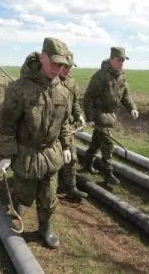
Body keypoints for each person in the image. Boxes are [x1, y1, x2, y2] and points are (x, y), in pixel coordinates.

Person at [0, 37, 72, 249]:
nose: (58, 69)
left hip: (51, 154)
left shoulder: (63, 91)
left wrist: (65, 145)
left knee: (48, 197)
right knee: (24, 193)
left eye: (62, 65)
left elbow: (64, 122)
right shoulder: (19, 88)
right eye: (54, 63)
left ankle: (45, 228)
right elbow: (6, 124)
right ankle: (17, 207)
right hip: (26, 154)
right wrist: (6, 155)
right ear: (42, 57)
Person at [82, 47, 139, 185]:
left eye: (123, 60)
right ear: (112, 59)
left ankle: (87, 164)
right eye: (119, 60)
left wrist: (132, 108)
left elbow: (125, 95)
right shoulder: (100, 76)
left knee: (96, 141)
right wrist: (89, 118)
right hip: (99, 113)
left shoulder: (121, 76)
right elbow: (88, 97)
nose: (122, 63)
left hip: (110, 114)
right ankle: (107, 172)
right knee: (107, 142)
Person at [58, 51, 88, 200]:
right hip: (50, 128)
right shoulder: (49, 81)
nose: (68, 69)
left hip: (67, 127)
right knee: (52, 158)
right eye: (65, 66)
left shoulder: (71, 82)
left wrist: (79, 115)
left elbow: (75, 103)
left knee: (72, 158)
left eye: (70, 67)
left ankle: (71, 187)